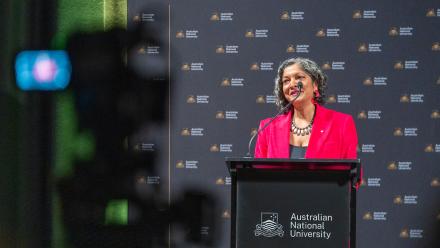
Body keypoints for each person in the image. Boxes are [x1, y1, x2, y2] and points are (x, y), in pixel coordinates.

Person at [254, 57, 358, 159]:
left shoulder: (341, 124)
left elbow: (353, 172)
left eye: (299, 77)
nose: (292, 84)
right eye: (286, 81)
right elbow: (258, 174)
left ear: (315, 85)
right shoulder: (267, 128)